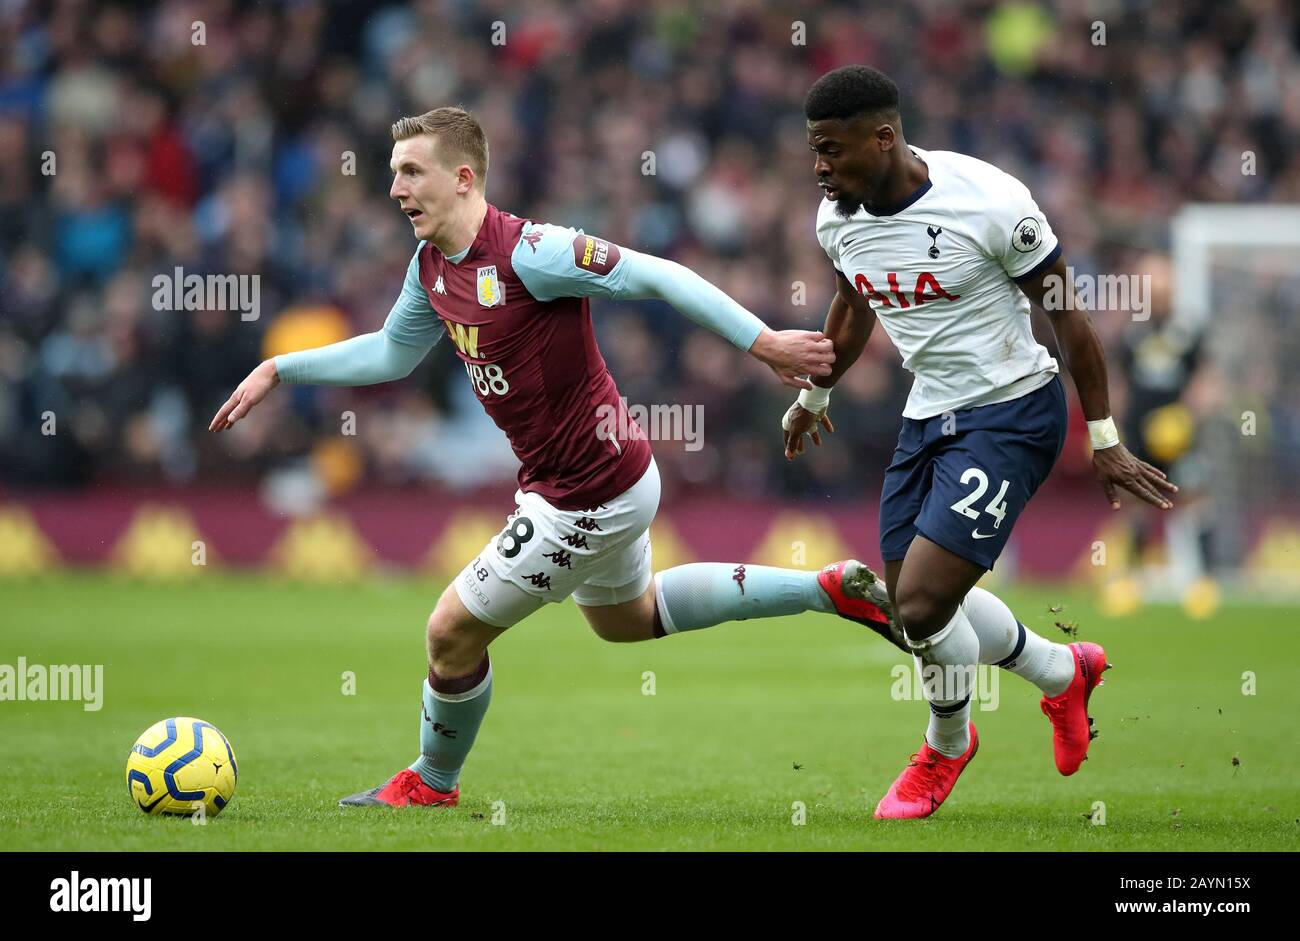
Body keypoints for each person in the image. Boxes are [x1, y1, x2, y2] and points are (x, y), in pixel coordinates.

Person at [210, 106, 898, 809]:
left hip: (587, 492)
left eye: (412, 172)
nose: (396, 189)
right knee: (626, 617)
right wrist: (280, 369)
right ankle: (825, 589)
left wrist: (765, 343)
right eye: (394, 174)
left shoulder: (530, 252)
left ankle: (433, 780)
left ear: (464, 177)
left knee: (449, 631)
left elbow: (657, 274)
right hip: (600, 479)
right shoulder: (430, 266)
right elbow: (391, 350)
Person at [781, 66, 1177, 819]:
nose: (819, 166)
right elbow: (851, 301)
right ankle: (1063, 670)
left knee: (926, 601)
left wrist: (1104, 436)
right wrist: (815, 395)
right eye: (813, 150)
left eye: (831, 149)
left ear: (885, 136)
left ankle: (947, 744)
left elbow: (1069, 315)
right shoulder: (837, 218)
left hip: (1013, 411)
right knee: (911, 610)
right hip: (928, 415)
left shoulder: (990, 202)